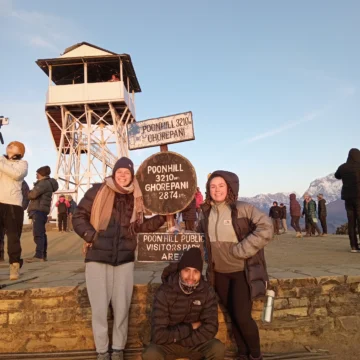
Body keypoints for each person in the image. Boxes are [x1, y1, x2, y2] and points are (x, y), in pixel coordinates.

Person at [72, 157, 166, 360]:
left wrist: (163, 217)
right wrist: (92, 237)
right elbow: (78, 215)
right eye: (119, 172)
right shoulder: (97, 191)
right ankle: (102, 351)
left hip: (124, 260)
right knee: (99, 309)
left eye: (127, 173)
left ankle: (117, 350)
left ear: (132, 176)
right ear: (114, 173)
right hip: (97, 257)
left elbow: (140, 227)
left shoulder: (136, 197)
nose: (123, 175)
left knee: (122, 308)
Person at [197, 171, 273, 360]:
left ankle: (255, 355)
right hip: (219, 273)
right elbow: (200, 237)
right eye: (213, 186)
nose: (217, 190)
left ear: (229, 187)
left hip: (241, 273)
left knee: (242, 316)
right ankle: (242, 353)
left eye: (221, 185)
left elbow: (267, 227)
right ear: (208, 190)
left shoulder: (242, 208)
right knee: (232, 314)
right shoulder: (206, 212)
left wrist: (242, 250)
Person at [142, 247, 224, 360]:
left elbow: (211, 327)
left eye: (195, 271)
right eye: (187, 270)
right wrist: (191, 327)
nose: (191, 277)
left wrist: (182, 339)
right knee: (150, 354)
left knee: (217, 348)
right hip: (169, 345)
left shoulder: (207, 291)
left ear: (200, 274)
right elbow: (158, 334)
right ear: (180, 271)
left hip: (196, 343)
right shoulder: (165, 291)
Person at [0, 141, 28, 280]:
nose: (10, 145)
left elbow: (16, 175)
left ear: (20, 152)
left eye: (14, 145)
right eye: (9, 144)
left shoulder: (22, 164)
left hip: (13, 204)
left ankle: (14, 265)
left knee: (13, 237)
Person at [26, 166, 58, 263]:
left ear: (41, 174)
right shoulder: (48, 183)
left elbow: (32, 195)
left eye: (37, 173)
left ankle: (39, 255)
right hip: (43, 210)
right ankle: (42, 255)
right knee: (42, 233)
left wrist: (28, 192)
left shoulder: (43, 183)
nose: (36, 175)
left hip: (38, 210)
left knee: (38, 234)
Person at [335, 148, 360, 252]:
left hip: (348, 198)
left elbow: (337, 176)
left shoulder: (343, 167)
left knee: (351, 222)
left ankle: (353, 246)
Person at [0, 180, 30, 262]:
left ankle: (14, 262)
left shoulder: (20, 180)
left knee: (14, 236)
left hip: (14, 210)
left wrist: (21, 208)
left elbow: (26, 195)